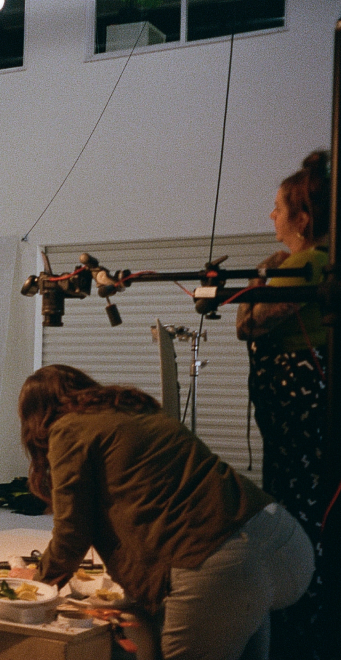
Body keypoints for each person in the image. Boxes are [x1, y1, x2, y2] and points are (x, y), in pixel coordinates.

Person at [18, 364, 314, 660]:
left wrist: (33, 587)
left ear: (36, 417)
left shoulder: (67, 428)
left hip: (218, 560)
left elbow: (72, 534)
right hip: (282, 542)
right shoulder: (134, 409)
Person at [236, 150, 330, 660]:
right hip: (290, 407)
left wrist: (263, 277)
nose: (271, 216)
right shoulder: (303, 263)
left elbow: (250, 322)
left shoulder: (309, 263)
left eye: (278, 207)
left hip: (297, 406)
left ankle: (301, 627)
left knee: (297, 513)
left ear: (302, 217)